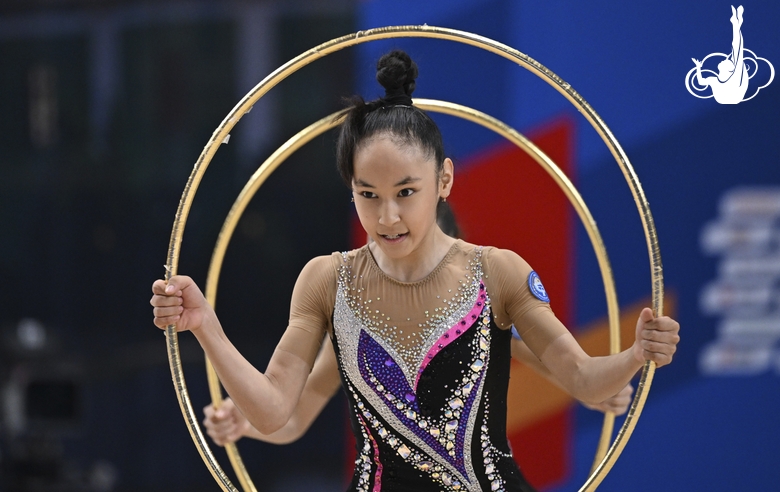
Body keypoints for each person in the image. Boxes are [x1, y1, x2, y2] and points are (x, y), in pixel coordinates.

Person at [151, 50, 679, 492]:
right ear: (350, 189)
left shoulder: (497, 273)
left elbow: (585, 381)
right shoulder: (326, 282)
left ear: (444, 179)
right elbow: (274, 411)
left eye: (406, 193)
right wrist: (205, 326)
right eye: (368, 195)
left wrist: (637, 354)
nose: (387, 217)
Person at [201, 202, 634, 448]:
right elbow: (292, 417)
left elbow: (555, 363)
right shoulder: (354, 330)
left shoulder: (482, 312)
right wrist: (247, 424)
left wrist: (592, 391)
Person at [692, 5, 748, 104]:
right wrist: (698, 67)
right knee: (736, 51)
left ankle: (736, 23)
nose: (724, 59)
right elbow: (701, 82)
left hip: (733, 96)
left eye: (727, 61)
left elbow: (738, 49)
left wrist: (736, 26)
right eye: (727, 60)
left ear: (729, 69)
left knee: (737, 51)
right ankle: (736, 23)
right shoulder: (714, 80)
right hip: (726, 98)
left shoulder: (734, 77)